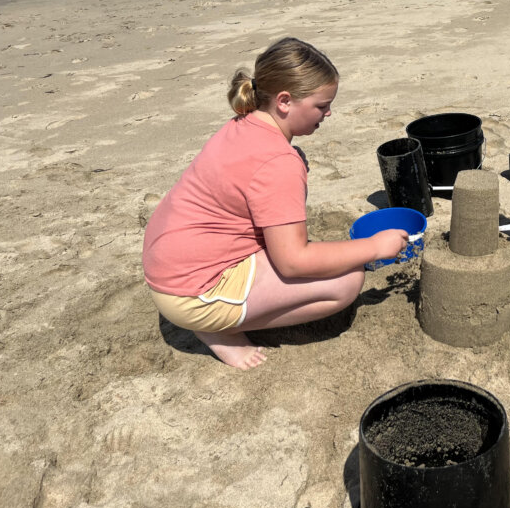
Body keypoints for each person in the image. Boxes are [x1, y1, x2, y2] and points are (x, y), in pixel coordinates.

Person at [142, 37, 408, 369]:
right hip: (191, 292)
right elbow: (293, 262)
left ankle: (215, 317)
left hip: (167, 259)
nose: (328, 113)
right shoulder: (278, 163)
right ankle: (218, 329)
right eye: (321, 105)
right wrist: (374, 247)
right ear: (284, 101)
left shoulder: (245, 124)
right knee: (347, 280)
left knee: (324, 255)